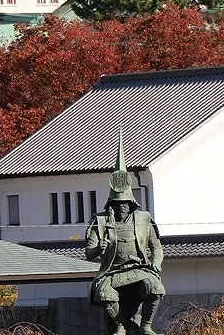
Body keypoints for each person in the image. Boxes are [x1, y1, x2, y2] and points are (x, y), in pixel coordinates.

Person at [84, 137, 165, 335]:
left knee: (155, 287)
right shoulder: (101, 221)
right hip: (112, 272)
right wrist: (99, 248)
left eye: (124, 203)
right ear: (111, 203)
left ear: (130, 203)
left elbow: (157, 247)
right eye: (117, 203)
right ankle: (121, 325)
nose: (121, 207)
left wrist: (156, 262)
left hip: (139, 268)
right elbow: (89, 253)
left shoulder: (144, 218)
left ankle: (146, 326)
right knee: (104, 294)